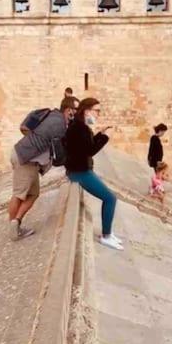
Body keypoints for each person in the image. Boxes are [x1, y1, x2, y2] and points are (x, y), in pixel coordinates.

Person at [9, 97, 77, 241]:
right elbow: (59, 156)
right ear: (68, 110)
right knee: (19, 194)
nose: (76, 114)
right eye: (75, 110)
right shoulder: (59, 125)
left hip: (28, 158)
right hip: (25, 159)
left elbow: (26, 128)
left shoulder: (52, 115)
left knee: (33, 194)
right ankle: (13, 229)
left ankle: (16, 222)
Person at [64, 97, 123, 251]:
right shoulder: (79, 128)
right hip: (79, 172)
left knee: (109, 197)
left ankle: (108, 233)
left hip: (80, 170)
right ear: (87, 111)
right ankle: (106, 236)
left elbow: (86, 146)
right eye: (97, 111)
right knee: (110, 198)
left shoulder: (80, 126)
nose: (98, 114)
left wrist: (100, 134)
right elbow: (90, 150)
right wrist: (105, 137)